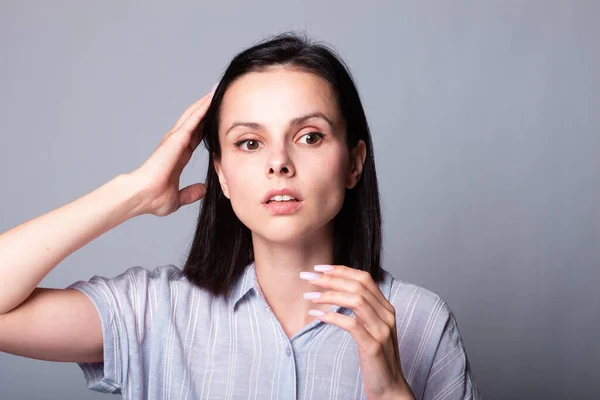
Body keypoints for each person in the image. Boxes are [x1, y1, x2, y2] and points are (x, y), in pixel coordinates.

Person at [0, 32, 480, 399]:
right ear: (222, 177)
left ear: (354, 162)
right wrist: (134, 192)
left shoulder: (420, 321)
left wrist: (391, 390)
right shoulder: (156, 313)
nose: (279, 162)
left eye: (309, 136)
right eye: (249, 142)